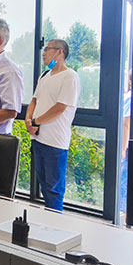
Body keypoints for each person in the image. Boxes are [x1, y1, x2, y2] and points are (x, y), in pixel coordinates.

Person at [25, 39, 80, 211]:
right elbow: (34, 100)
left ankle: (54, 222)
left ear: (59, 52)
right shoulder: (44, 76)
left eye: (47, 49)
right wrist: (28, 120)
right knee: (44, 185)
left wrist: (35, 122)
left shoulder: (70, 76)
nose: (44, 53)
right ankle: (47, 220)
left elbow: (60, 107)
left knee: (54, 190)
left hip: (55, 142)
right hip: (38, 138)